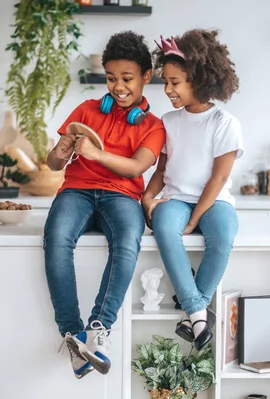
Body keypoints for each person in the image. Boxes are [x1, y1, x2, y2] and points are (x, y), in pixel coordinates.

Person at [43, 30, 166, 379]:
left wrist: (95, 152)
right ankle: (74, 336)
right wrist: (62, 149)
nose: (118, 86)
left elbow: (137, 167)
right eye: (112, 78)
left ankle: (100, 328)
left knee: (128, 239)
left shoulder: (154, 126)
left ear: (146, 76)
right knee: (56, 238)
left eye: (127, 78)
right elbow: (54, 165)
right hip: (77, 189)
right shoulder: (86, 109)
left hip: (122, 195)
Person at [142, 29, 243, 351]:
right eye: (166, 82)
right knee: (165, 228)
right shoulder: (168, 121)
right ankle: (199, 312)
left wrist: (194, 219)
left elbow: (217, 180)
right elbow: (161, 170)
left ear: (199, 79)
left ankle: (191, 314)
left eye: (175, 82)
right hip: (176, 196)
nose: (167, 89)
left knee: (223, 236)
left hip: (213, 201)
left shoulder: (224, 123)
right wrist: (147, 196)